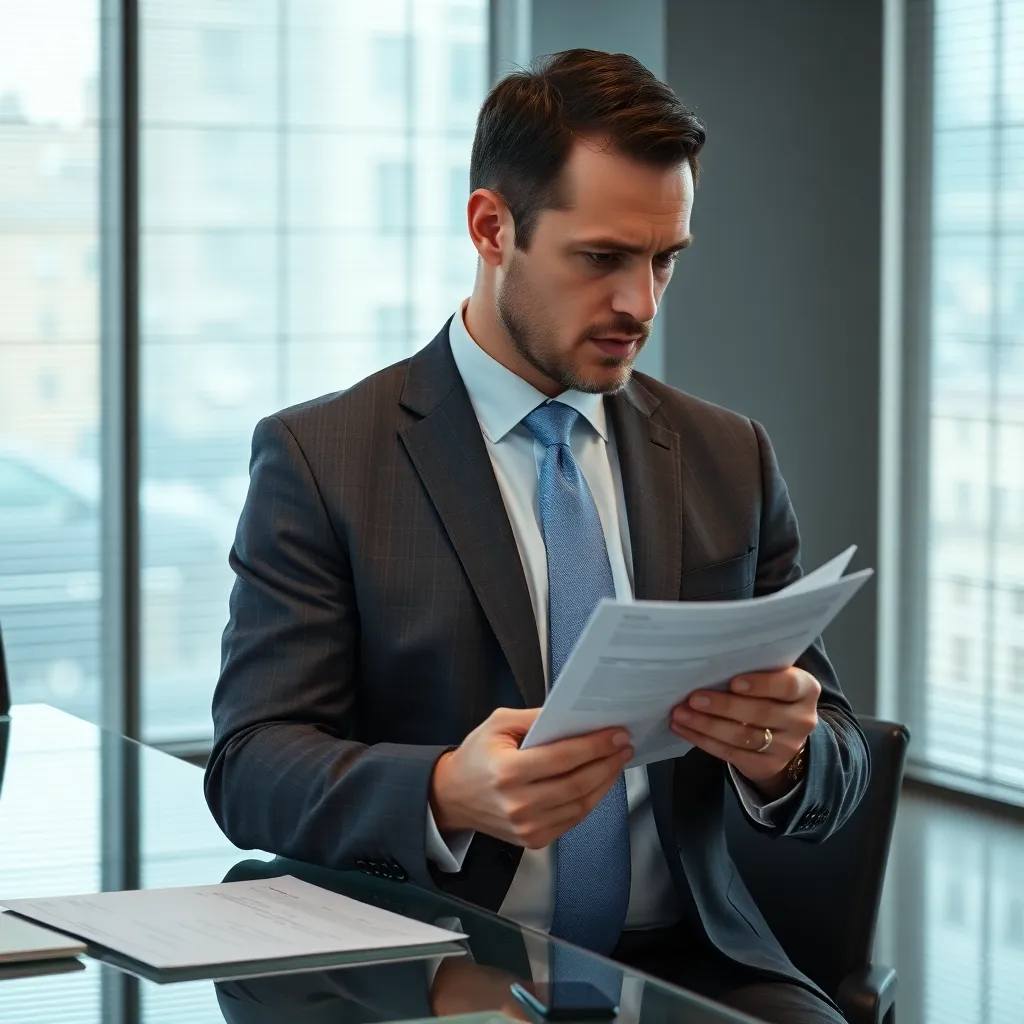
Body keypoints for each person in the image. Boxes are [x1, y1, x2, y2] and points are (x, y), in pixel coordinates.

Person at [205, 48, 869, 1024]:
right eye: (601, 258)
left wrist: (785, 753)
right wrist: (443, 791)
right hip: (432, 956)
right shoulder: (324, 458)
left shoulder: (731, 457)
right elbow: (250, 764)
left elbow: (843, 763)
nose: (640, 303)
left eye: (664, 260)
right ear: (491, 228)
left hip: (694, 964)